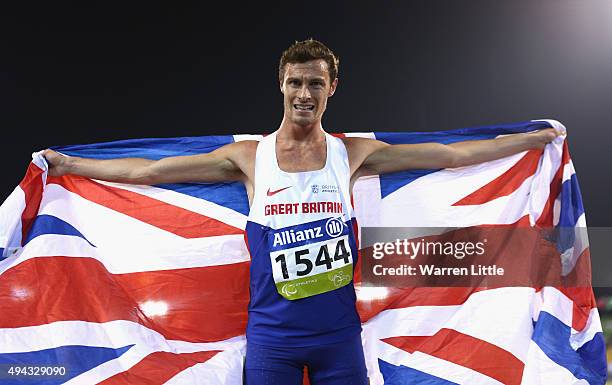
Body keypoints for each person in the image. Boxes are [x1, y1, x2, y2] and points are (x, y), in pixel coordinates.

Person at [43, 39, 562, 385]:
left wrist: (531, 141)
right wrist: (68, 164)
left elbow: (451, 156)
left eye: (315, 83)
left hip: (339, 339)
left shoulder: (351, 153)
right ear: (282, 86)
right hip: (271, 341)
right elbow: (150, 173)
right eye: (296, 82)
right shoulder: (249, 158)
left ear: (331, 88)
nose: (304, 93)